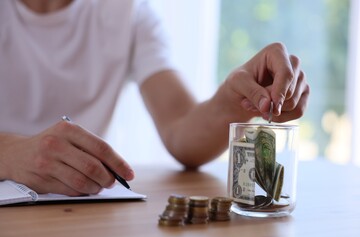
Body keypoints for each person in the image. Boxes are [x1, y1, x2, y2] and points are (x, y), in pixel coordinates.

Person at [0, 0, 310, 196]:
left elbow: (181, 130)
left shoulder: (129, 12)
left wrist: (234, 100)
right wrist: (9, 153)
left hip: (83, 209)